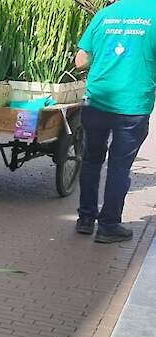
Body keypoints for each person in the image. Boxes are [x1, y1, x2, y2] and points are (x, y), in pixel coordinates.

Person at [74, 0, 155, 244]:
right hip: (132, 104)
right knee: (119, 166)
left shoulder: (105, 14)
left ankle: (86, 219)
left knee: (91, 159)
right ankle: (109, 225)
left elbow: (81, 60)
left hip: (97, 99)